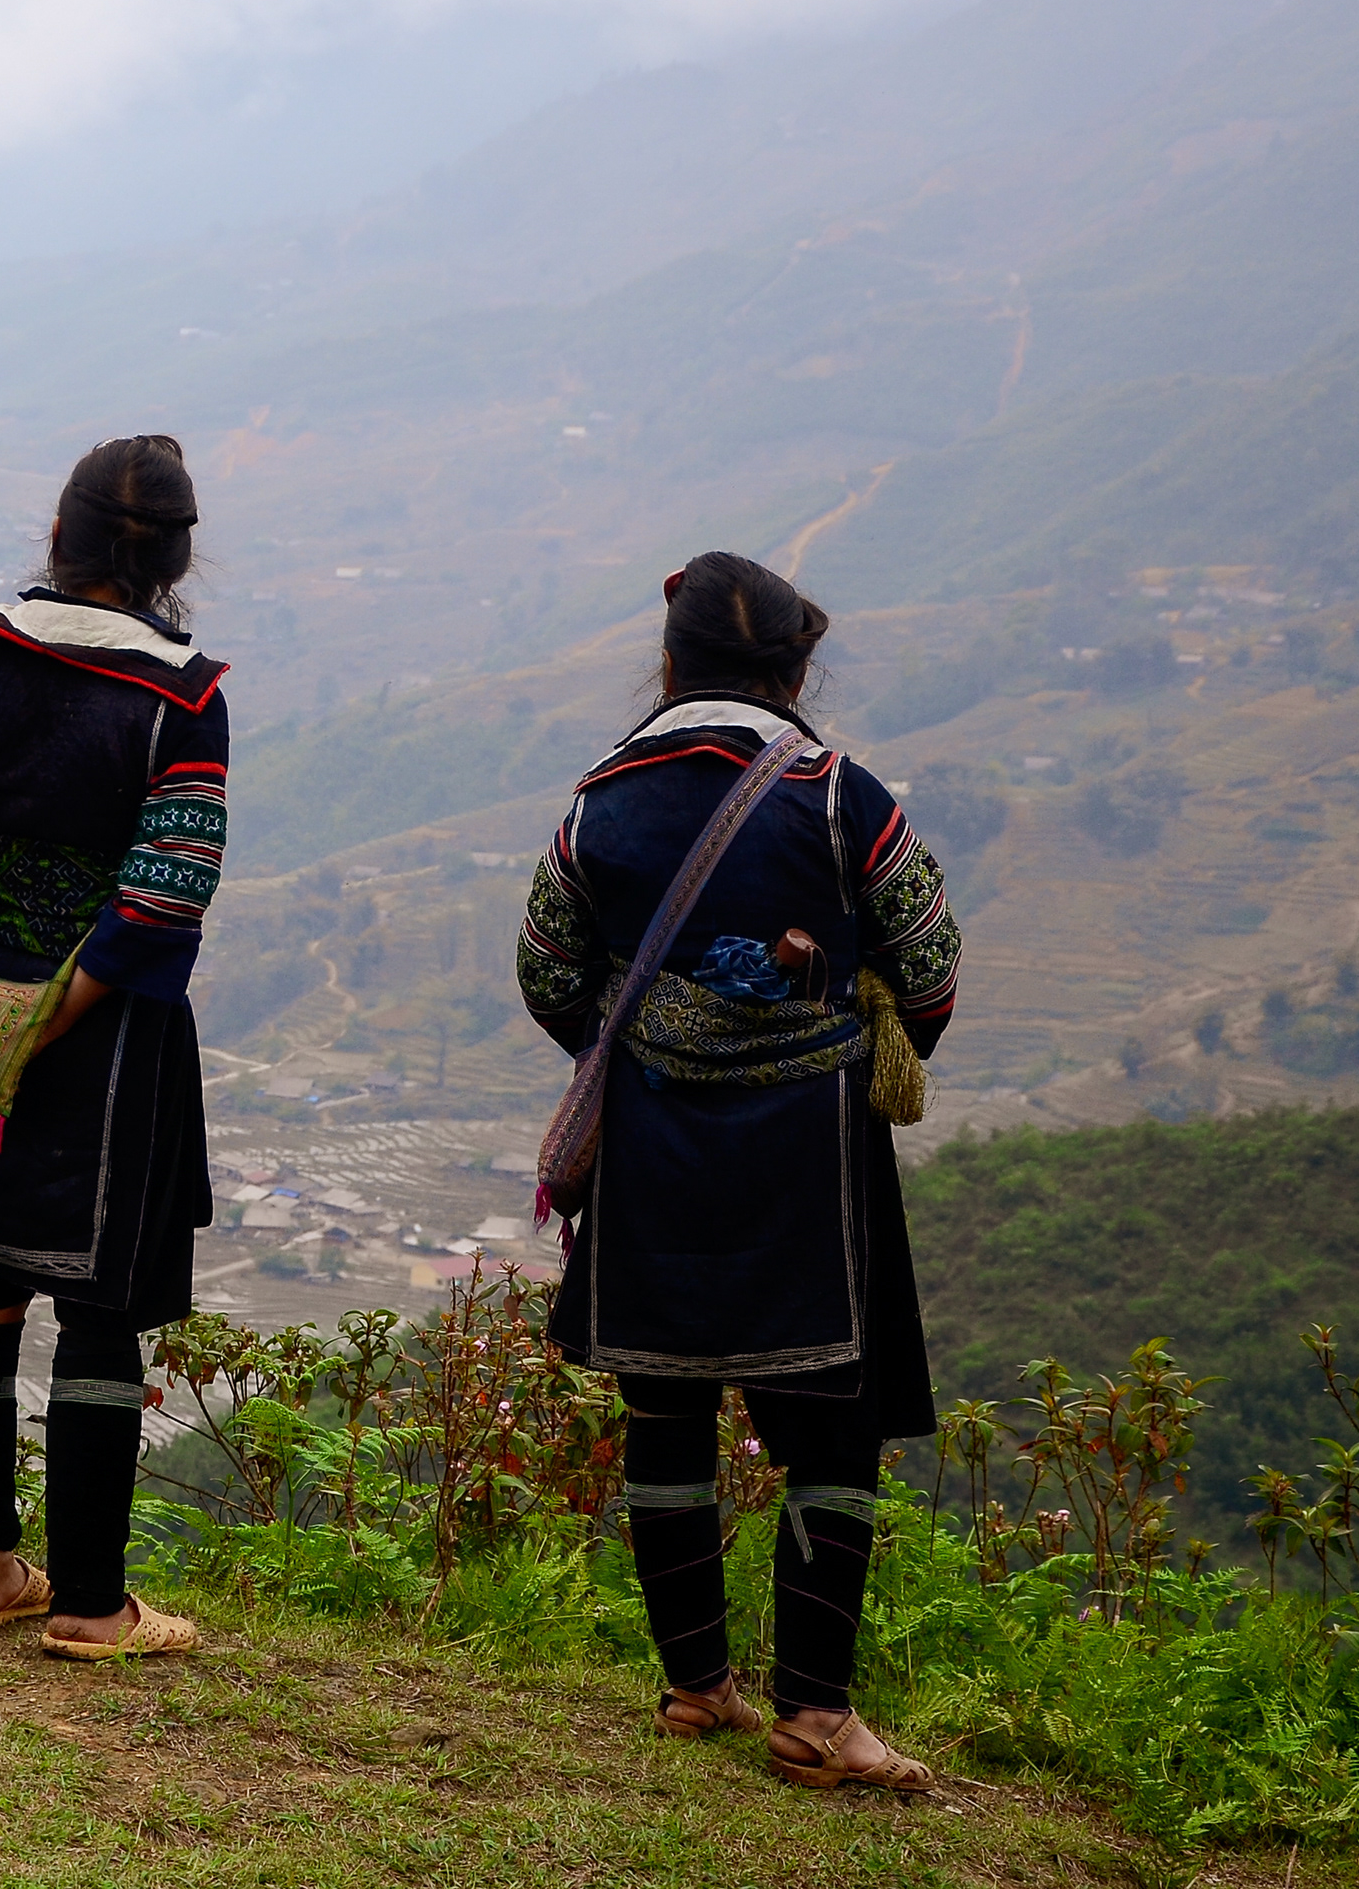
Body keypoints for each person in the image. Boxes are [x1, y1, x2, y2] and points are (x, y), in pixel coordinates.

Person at [510, 550, 961, 1793]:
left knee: (666, 1404)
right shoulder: (841, 797)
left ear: (672, 662)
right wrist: (833, 1041)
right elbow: (930, 965)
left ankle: (696, 1686)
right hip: (806, 1160)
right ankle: (816, 1715)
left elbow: (548, 968)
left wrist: (658, 1050)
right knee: (829, 1428)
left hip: (652, 1150)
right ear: (796, 665)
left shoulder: (600, 800)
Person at [0, 434, 228, 1659]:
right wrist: (58, 1013)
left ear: (59, 538)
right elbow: (165, 887)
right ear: (176, 558)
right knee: (98, 1309)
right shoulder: (179, 700)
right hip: (110, 1035)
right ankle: (88, 1604)